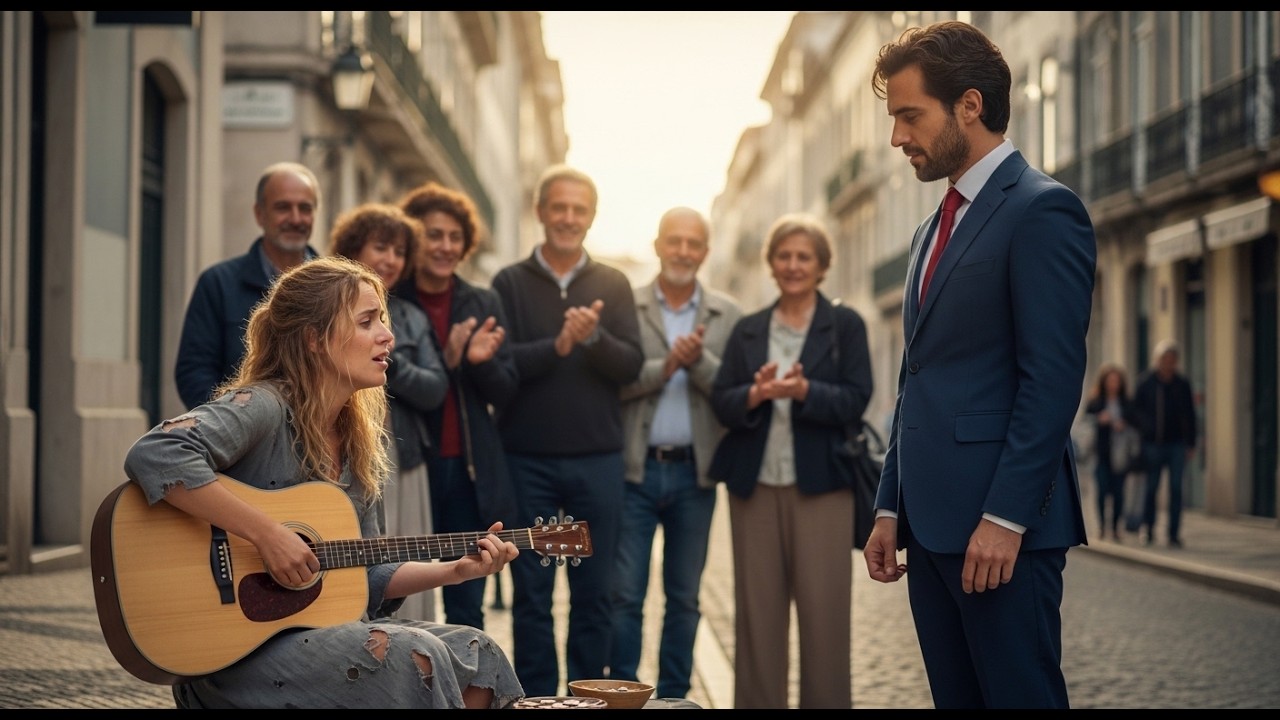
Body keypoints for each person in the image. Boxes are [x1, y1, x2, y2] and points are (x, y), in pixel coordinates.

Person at [123, 256, 524, 708]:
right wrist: (267, 534)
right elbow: (157, 452)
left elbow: (368, 571)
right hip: (235, 650)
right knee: (418, 654)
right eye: (367, 322)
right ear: (314, 339)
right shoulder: (264, 405)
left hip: (318, 634)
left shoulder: (359, 443)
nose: (388, 336)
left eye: (383, 320)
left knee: (480, 652)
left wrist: (456, 571)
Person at [864, 21, 1095, 709]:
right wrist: (888, 506)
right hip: (929, 528)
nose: (897, 137)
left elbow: (1051, 381)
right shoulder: (929, 230)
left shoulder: (1044, 211)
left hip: (1000, 533)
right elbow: (916, 381)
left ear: (969, 105)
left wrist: (1007, 518)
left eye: (910, 116)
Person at [491, 164, 644, 696]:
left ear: (592, 216)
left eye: (579, 209)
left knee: (594, 594)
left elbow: (632, 365)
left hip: (596, 460)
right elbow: (499, 367)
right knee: (531, 594)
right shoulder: (509, 283)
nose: (568, 218)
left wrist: (594, 338)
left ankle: (587, 699)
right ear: (540, 212)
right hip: (526, 460)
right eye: (559, 207)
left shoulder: (613, 284)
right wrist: (555, 347)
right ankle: (535, 700)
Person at [707, 213, 872, 709]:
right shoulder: (749, 330)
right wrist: (755, 395)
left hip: (824, 487)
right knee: (757, 620)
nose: (793, 265)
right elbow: (722, 401)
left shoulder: (844, 325)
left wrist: (805, 391)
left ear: (822, 266)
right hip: (753, 488)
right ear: (771, 264)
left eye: (804, 257)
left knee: (825, 619)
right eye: (784, 256)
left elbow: (856, 397)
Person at [609, 207, 742, 699]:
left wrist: (697, 361)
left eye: (693, 243)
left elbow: (735, 394)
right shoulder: (628, 305)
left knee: (684, 598)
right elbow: (613, 385)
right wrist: (665, 366)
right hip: (635, 472)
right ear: (658, 245)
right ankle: (621, 695)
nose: (683, 251)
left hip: (695, 475)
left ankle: (673, 697)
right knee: (625, 596)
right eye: (674, 241)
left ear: (704, 252)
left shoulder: (728, 315)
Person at [396, 181, 520, 630]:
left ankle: (465, 676)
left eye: (454, 237)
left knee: (466, 605)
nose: (445, 246)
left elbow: (506, 391)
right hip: (409, 466)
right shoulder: (394, 299)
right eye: (434, 234)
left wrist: (477, 364)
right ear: (414, 238)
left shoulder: (482, 301)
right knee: (401, 598)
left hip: (468, 473)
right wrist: (443, 363)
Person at [328, 203, 449, 621]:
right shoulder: (325, 307)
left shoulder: (412, 316)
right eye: (381, 247)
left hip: (401, 451)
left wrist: (382, 361)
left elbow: (435, 389)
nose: (391, 259)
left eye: (400, 251)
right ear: (352, 248)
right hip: (340, 444)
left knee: (404, 551)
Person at [175, 162, 322, 410]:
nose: (296, 218)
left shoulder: (335, 288)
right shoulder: (217, 284)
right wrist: (235, 423)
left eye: (305, 208)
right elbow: (194, 373)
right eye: (283, 207)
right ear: (259, 214)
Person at [1133, 339, 1197, 549]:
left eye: (1171, 360)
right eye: (1164, 359)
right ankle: (1148, 529)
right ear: (1157, 360)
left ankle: (1173, 534)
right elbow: (1135, 412)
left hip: (1177, 444)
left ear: (1176, 362)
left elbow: (1190, 415)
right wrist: (1146, 430)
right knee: (1151, 487)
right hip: (1153, 444)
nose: (1168, 363)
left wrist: (1191, 443)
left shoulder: (1182, 384)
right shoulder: (1146, 383)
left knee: (1176, 489)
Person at [1084, 363, 1139, 542]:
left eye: (1116, 381)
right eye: (1110, 380)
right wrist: (1099, 419)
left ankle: (1116, 528)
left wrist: (1124, 424)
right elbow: (1085, 422)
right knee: (1101, 492)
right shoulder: (1096, 402)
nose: (1113, 384)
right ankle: (1101, 527)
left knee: (1118, 493)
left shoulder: (1127, 404)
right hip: (1100, 453)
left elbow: (1137, 424)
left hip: (1120, 454)